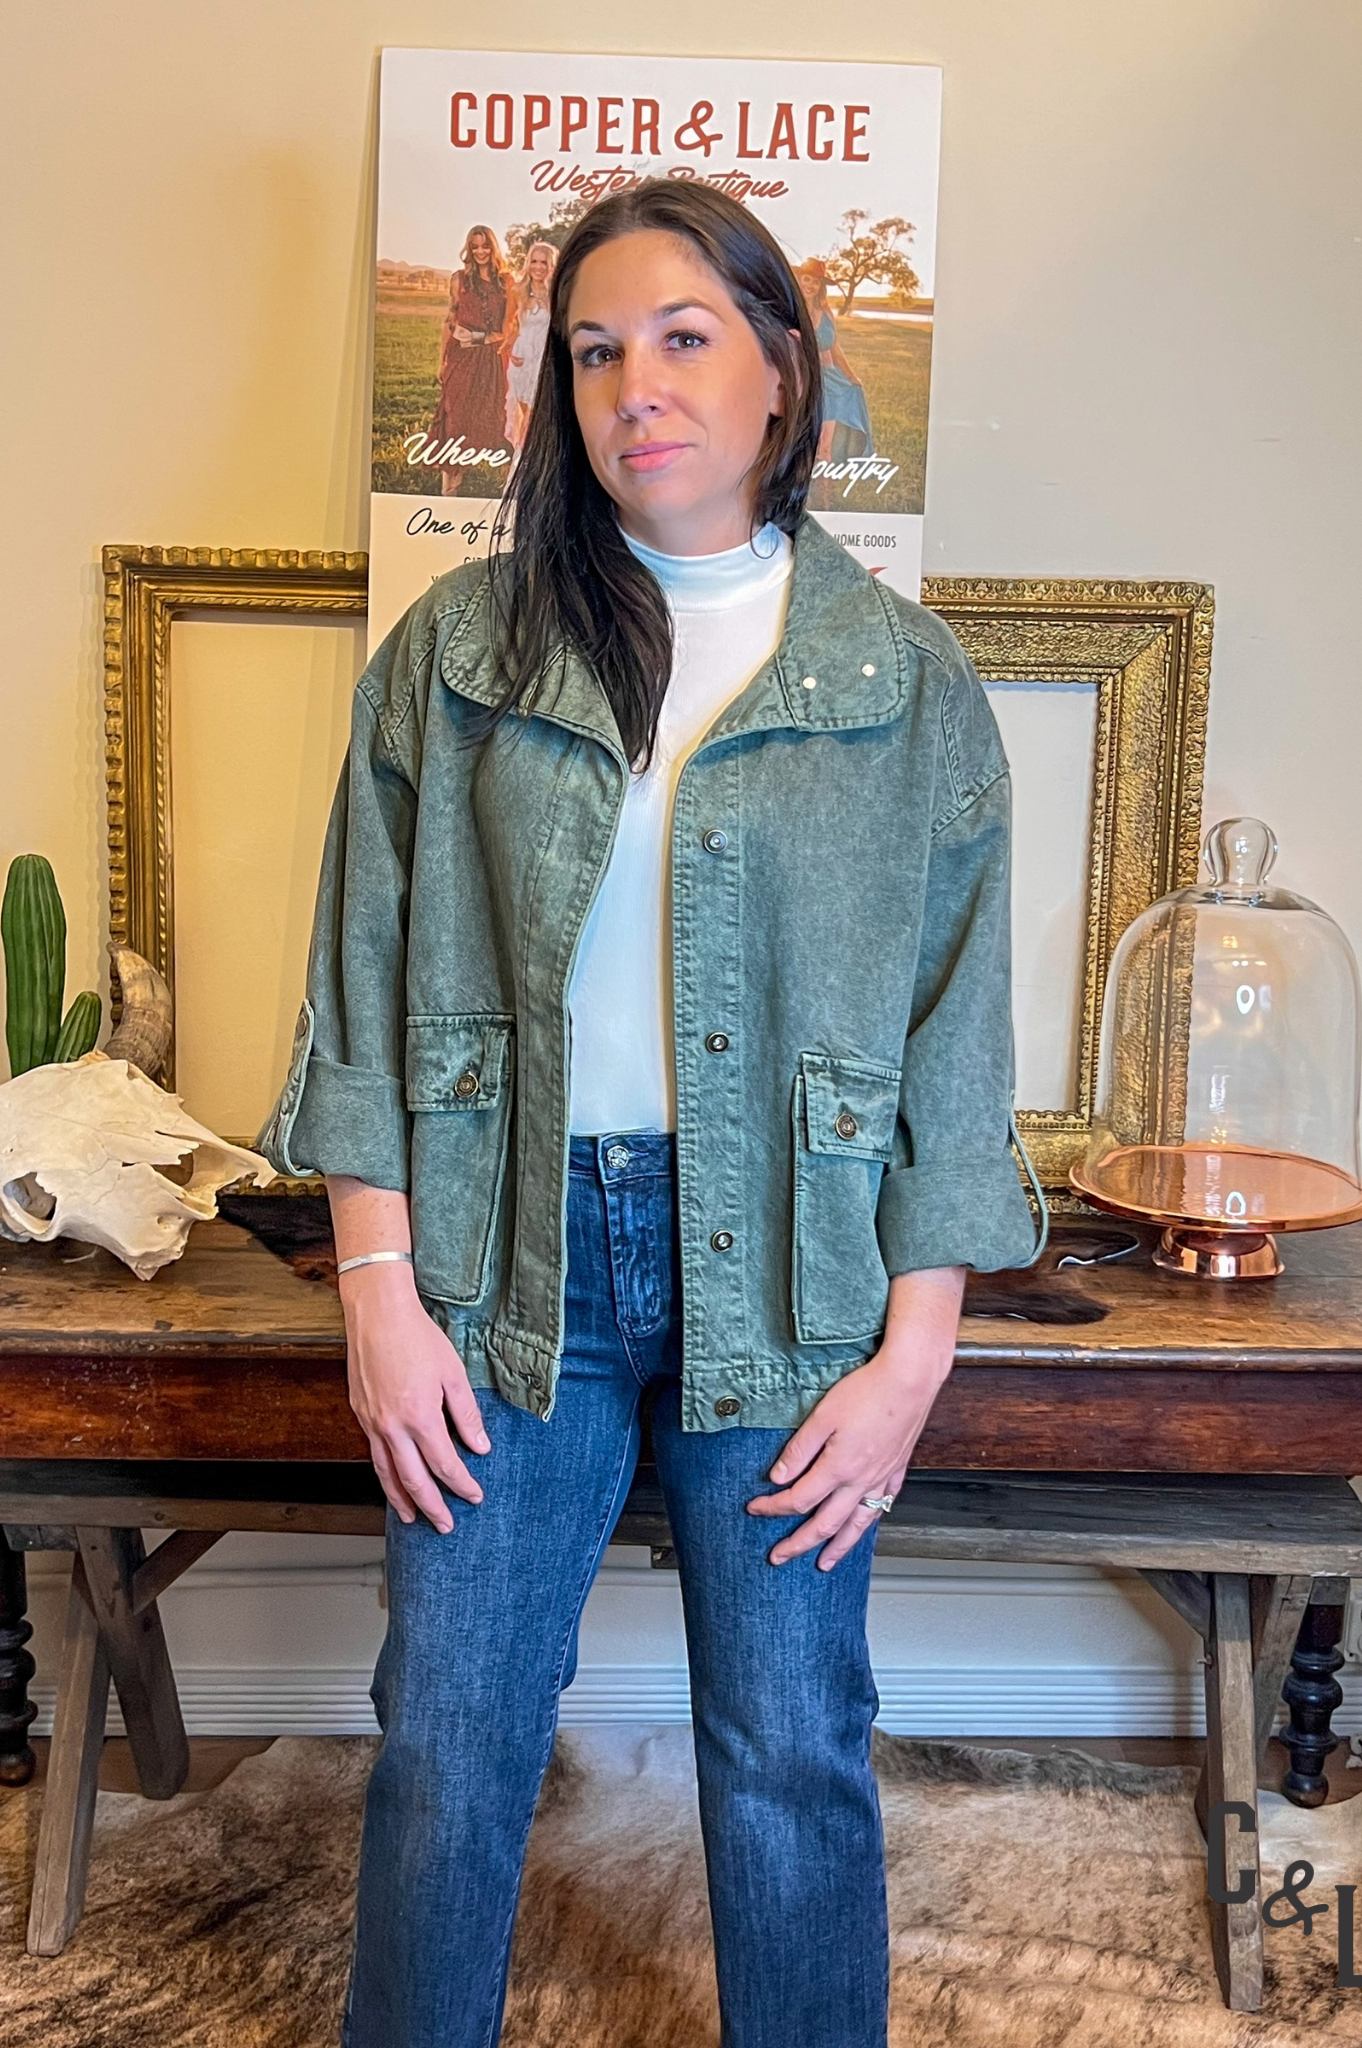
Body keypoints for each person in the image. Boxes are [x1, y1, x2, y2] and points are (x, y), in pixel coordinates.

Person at [259, 177, 1045, 2048]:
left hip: (789, 1270)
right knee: (449, 1735)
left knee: (790, 1740)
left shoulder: (902, 687)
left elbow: (953, 1047)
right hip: (494, 1251)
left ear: (785, 370)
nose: (638, 387)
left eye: (686, 337)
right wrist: (378, 1291)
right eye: (596, 349)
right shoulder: (452, 658)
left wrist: (910, 1357)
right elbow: (359, 987)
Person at [427, 223, 509, 495]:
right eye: (475, 247)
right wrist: (442, 361)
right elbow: (449, 321)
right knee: (455, 418)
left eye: (485, 246)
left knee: (491, 417)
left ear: (493, 248)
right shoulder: (458, 280)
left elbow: (508, 330)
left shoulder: (505, 283)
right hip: (461, 358)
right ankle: (450, 489)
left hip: (490, 360)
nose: (480, 251)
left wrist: (480, 339)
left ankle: (507, 488)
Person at [796, 257, 874, 507]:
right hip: (804, 381)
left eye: (815, 282)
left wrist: (852, 377)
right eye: (806, 279)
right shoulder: (792, 311)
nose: (810, 285)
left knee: (825, 447)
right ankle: (799, 497)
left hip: (831, 384)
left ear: (821, 286)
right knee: (804, 443)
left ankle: (826, 501)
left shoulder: (826, 312)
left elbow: (834, 348)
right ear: (799, 279)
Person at [502, 237, 557, 450]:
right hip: (523, 358)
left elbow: (561, 325)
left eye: (544, 262)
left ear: (551, 265)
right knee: (528, 416)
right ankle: (523, 460)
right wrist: (511, 345)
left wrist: (547, 302)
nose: (538, 267)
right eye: (534, 261)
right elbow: (511, 323)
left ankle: (530, 460)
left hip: (546, 358)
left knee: (540, 414)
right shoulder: (519, 291)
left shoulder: (556, 292)